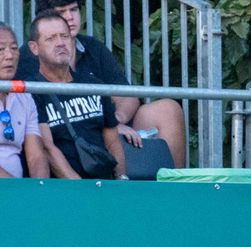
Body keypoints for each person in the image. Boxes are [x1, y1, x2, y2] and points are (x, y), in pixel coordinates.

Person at [16, 0, 186, 167]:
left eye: (73, 10)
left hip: (107, 128)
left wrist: (113, 121)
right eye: (61, 12)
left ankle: (172, 183)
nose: (70, 17)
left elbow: (127, 96)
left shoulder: (93, 47)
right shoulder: (26, 58)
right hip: (62, 137)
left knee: (167, 109)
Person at [27, 12, 124, 179]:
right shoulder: (32, 91)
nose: (60, 43)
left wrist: (121, 180)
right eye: (50, 38)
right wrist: (79, 187)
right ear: (34, 48)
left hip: (106, 184)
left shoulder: (93, 85)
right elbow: (47, 148)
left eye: (64, 36)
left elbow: (113, 142)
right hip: (66, 188)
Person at [0, 26, 49, 178]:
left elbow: (36, 156)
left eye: (14, 48)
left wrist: (40, 188)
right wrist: (14, 188)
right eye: (1, 49)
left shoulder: (24, 97)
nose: (9, 55)